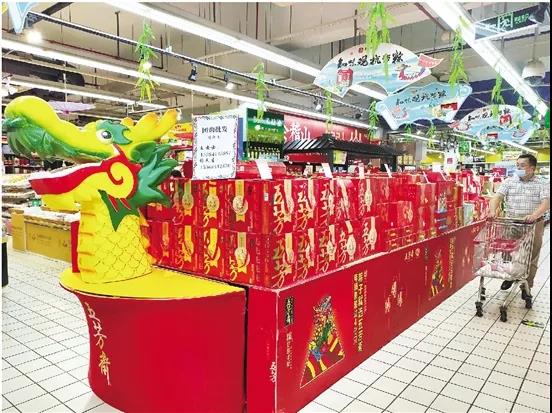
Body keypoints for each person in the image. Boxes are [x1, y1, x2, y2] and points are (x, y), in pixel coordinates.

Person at [489, 154, 550, 295]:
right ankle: (509, 276)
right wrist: (492, 211)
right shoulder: (509, 181)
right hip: (511, 222)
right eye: (517, 165)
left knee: (531, 255)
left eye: (522, 165)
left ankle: (526, 285)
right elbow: (497, 197)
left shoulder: (542, 183)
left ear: (532, 168)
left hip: (533, 224)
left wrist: (534, 215)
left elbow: (546, 203)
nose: (518, 168)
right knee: (507, 252)